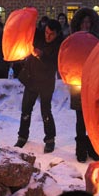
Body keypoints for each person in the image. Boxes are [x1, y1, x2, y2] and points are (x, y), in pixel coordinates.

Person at [15, 19, 63, 153]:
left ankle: (50, 139)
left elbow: (55, 64)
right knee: (25, 110)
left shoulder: (60, 46)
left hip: (46, 83)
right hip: (31, 79)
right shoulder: (38, 35)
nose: (47, 36)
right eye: (46, 32)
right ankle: (22, 136)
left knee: (46, 111)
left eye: (51, 34)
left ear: (57, 34)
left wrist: (42, 56)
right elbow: (27, 26)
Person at [69, 7, 99, 162]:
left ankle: (92, 147)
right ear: (78, 24)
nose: (86, 25)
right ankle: (80, 148)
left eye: (89, 22)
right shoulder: (72, 40)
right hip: (77, 83)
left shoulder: (98, 39)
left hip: (93, 83)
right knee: (80, 118)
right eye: (83, 22)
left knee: (93, 119)